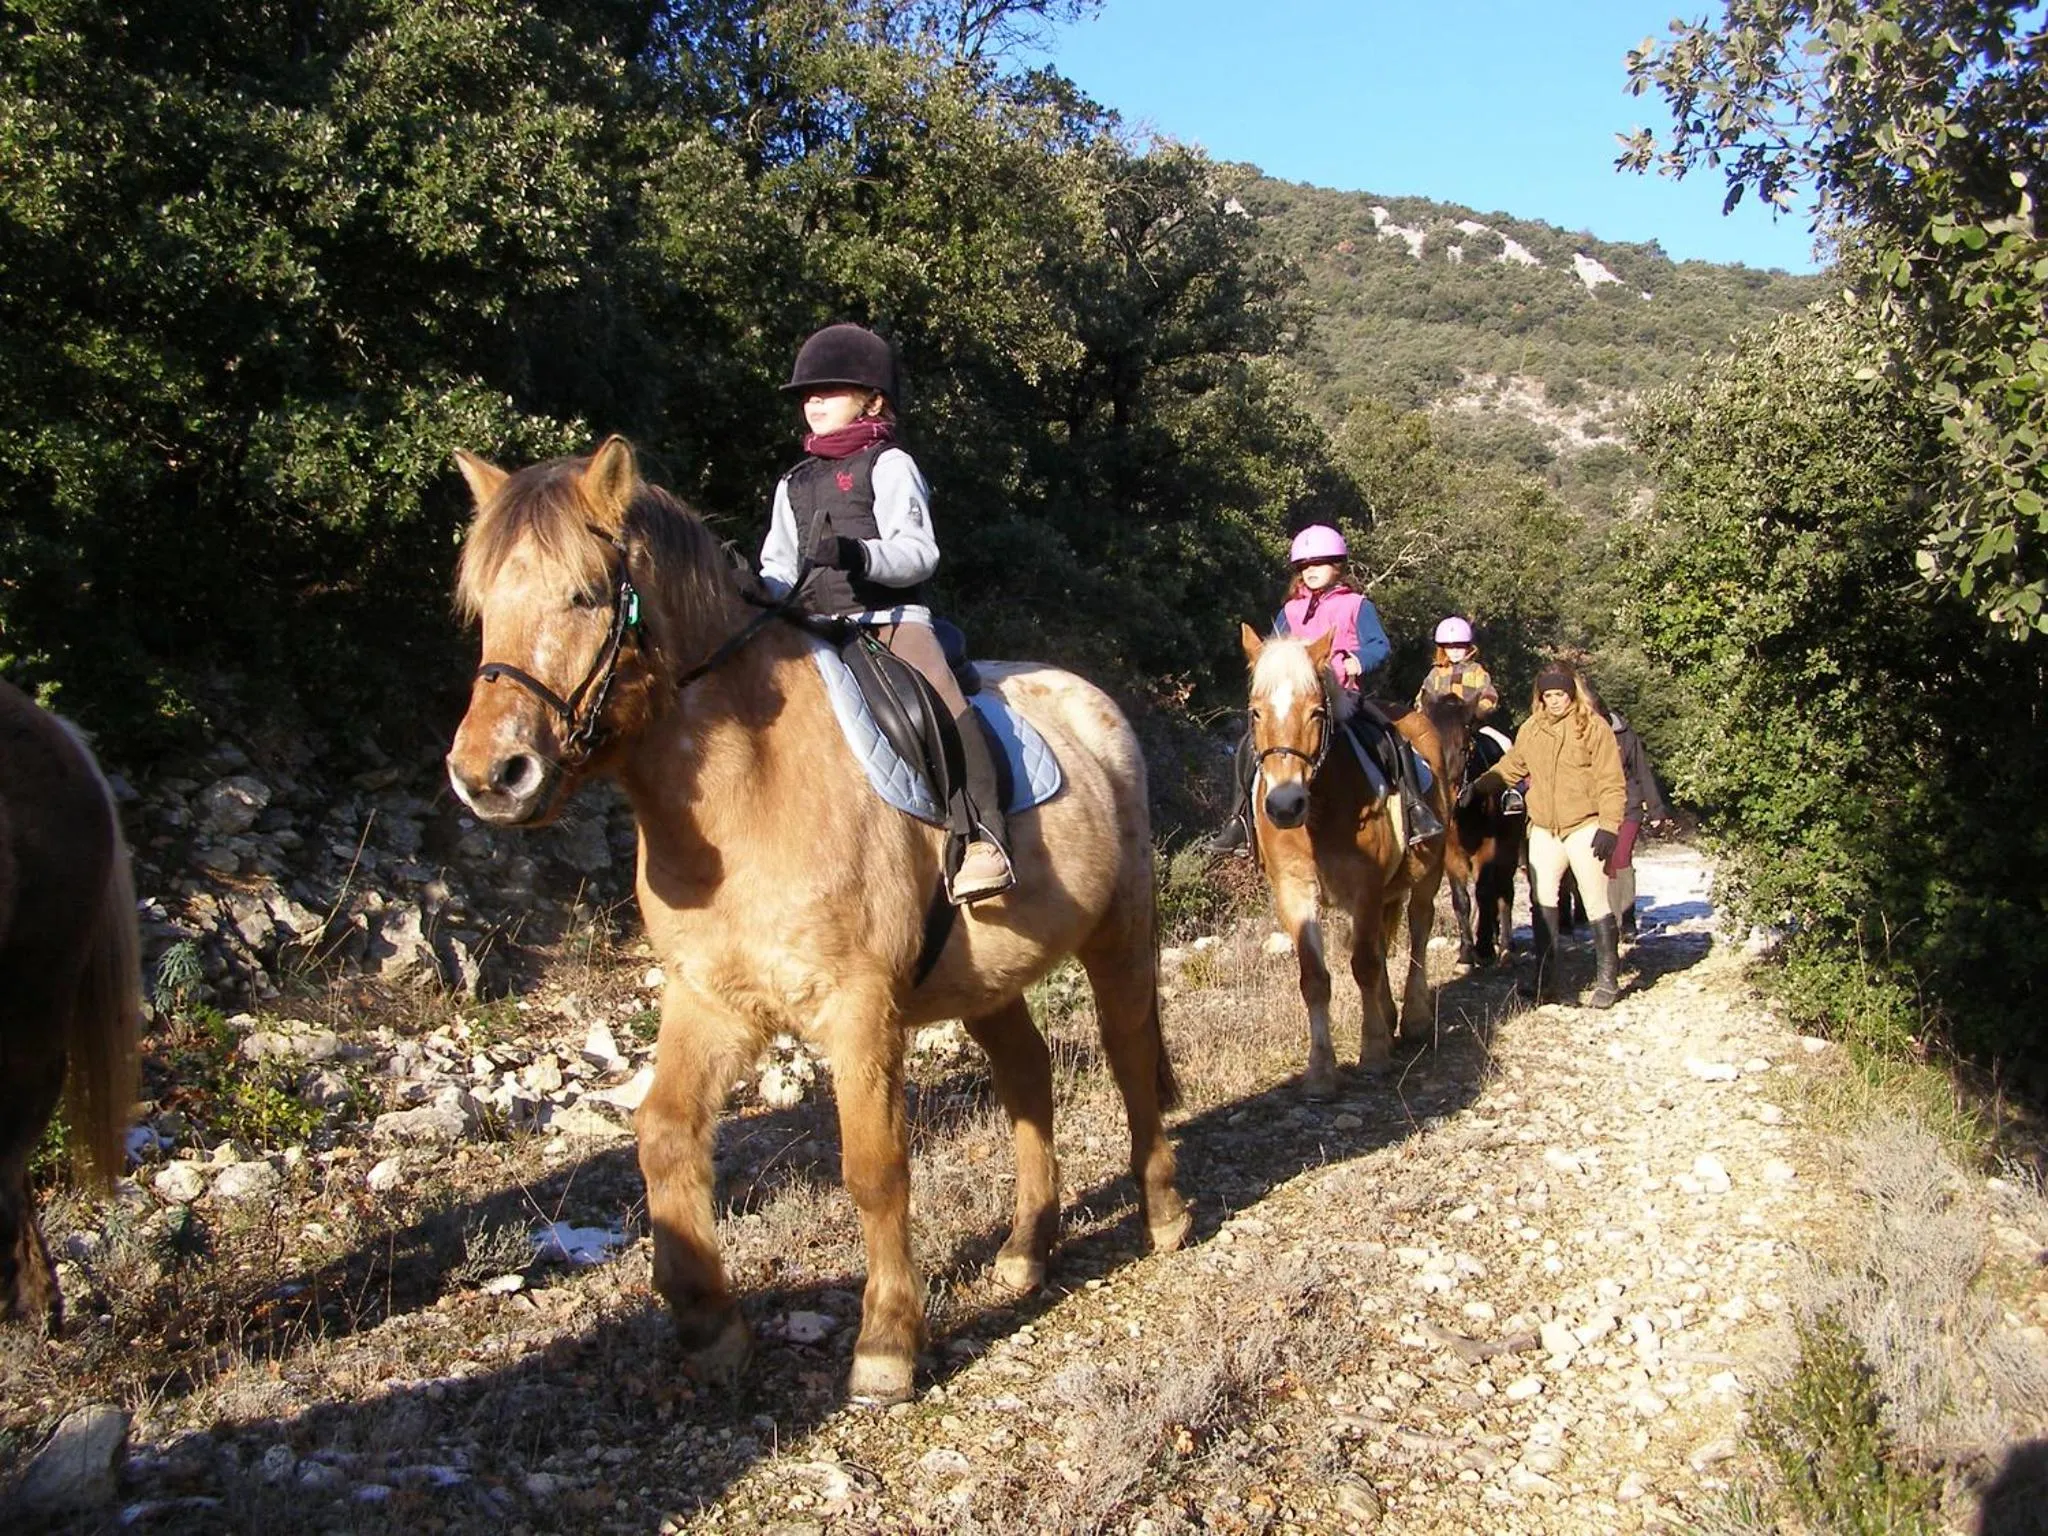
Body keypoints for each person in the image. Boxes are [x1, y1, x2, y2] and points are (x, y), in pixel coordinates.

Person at [758, 322, 1013, 905]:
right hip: (811, 631)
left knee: (941, 705)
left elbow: (920, 553)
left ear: (872, 398)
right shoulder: (793, 482)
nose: (813, 401)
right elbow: (777, 561)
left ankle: (984, 837)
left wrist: (856, 554)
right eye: (807, 393)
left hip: (890, 622)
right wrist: (757, 588)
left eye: (830, 389)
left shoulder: (889, 465)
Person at [1207, 526, 1441, 854]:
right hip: (1297, 704)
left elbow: (1379, 644)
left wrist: (1356, 662)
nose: (1311, 571)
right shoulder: (1289, 611)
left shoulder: (1357, 605)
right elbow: (1273, 650)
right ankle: (1238, 822)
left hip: (1344, 697)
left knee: (1392, 738)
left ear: (1338, 566)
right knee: (1248, 746)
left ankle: (1417, 809)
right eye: (1305, 565)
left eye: (1320, 563)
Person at [1460, 661, 1627, 1007]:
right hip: (1544, 828)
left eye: (1560, 694)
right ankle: (1545, 980)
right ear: (1540, 696)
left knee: (1596, 901)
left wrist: (1610, 826)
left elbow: (1612, 780)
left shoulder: (1593, 728)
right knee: (1542, 901)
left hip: (1586, 825)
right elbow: (1512, 767)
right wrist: (1477, 788)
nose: (1554, 701)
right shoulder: (1531, 729)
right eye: (1548, 694)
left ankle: (1608, 978)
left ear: (1571, 693)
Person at [1414, 616, 1522, 814]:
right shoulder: (1435, 675)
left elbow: (1490, 695)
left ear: (1468, 646)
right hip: (1441, 729)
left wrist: (1478, 711)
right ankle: (1413, 799)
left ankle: (1512, 793)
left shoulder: (1477, 671)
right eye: (1449, 646)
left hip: (1472, 725)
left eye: (1460, 646)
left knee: (1505, 743)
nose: (1455, 650)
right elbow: (1422, 699)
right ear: (1442, 648)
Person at [1598, 700, 1674, 940]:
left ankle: (1626, 919)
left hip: (1627, 805)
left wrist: (1656, 810)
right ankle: (1610, 920)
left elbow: (1643, 772)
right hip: (1595, 808)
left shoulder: (1625, 736)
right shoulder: (1580, 736)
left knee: (1621, 857)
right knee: (1605, 861)